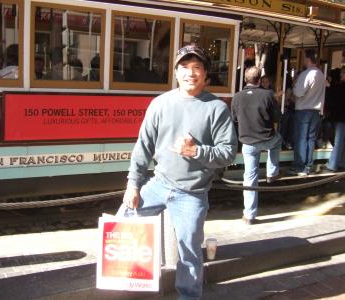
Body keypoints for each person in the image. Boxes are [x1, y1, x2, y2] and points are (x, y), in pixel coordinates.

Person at [120, 45, 237, 299]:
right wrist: (133, 184)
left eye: (196, 67)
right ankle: (136, 282)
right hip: (159, 184)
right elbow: (143, 146)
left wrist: (196, 151)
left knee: (190, 252)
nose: (190, 73)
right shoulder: (160, 104)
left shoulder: (216, 108)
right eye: (184, 67)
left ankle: (189, 296)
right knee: (123, 221)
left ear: (205, 74)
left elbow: (228, 153)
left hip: (192, 193)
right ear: (176, 72)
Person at [231, 66, 281, 225]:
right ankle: (272, 172)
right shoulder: (267, 94)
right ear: (259, 80)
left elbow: (235, 118)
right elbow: (277, 118)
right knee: (278, 141)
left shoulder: (237, 97)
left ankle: (249, 215)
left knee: (250, 177)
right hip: (267, 138)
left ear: (245, 79)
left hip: (248, 142)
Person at [290, 49, 325, 176]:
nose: (304, 60)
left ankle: (299, 166)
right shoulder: (321, 74)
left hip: (303, 110)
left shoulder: (306, 74)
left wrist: (294, 85)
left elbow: (298, 92)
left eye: (304, 58)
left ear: (308, 59)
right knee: (310, 139)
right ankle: (308, 166)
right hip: (316, 111)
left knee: (301, 138)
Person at [322, 67, 345, 171]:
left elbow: (336, 97)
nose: (341, 75)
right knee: (342, 142)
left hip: (342, 117)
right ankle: (342, 162)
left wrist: (329, 86)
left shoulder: (341, 87)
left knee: (339, 141)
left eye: (342, 73)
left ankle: (333, 164)